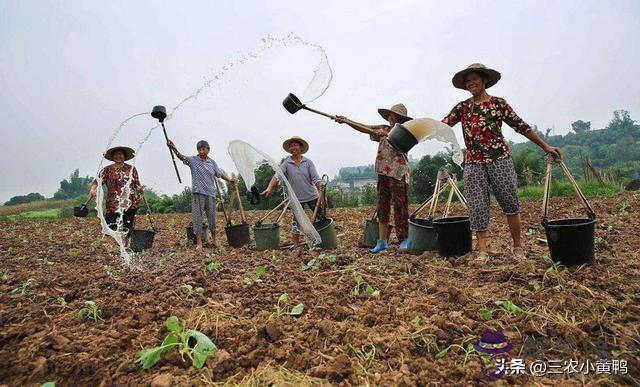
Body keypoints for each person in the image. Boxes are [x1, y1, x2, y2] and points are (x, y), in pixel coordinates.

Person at [442, 63, 562, 261]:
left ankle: (517, 247)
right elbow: (443, 125)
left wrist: (545, 146)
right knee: (477, 206)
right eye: (468, 81)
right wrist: (420, 129)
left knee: (510, 203)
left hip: (500, 160)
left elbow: (521, 126)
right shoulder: (463, 108)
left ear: (484, 81)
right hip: (473, 163)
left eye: (474, 79)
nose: (471, 83)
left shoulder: (498, 104)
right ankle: (482, 251)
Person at [334, 104, 412, 253]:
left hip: (398, 173)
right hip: (383, 172)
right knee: (382, 205)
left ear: (401, 119)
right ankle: (382, 241)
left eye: (394, 116)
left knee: (400, 207)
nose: (391, 118)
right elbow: (365, 127)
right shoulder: (383, 128)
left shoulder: (406, 132)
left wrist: (387, 134)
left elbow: (404, 145)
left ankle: (404, 239)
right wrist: (347, 121)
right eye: (390, 115)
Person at [167, 139, 237, 250]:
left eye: (203, 149)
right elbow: (182, 157)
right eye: (199, 150)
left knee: (212, 218)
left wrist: (229, 180)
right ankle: (199, 243)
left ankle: (214, 240)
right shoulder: (193, 160)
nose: (201, 152)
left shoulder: (212, 163)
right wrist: (174, 148)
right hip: (198, 193)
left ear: (208, 149)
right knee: (197, 218)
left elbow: (219, 174)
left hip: (210, 194)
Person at [261, 136, 324, 245]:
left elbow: (315, 178)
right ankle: (296, 245)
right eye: (291, 146)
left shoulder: (308, 162)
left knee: (321, 218)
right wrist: (269, 188)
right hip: (296, 199)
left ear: (300, 148)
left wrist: (321, 187)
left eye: (295, 145)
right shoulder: (286, 163)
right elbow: (277, 176)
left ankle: (324, 240)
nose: (293, 147)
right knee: (296, 222)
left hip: (312, 196)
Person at [89, 146, 143, 241]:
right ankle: (109, 246)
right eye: (116, 155)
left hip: (129, 202)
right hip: (113, 203)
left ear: (124, 156)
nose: (119, 156)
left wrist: (139, 195)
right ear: (113, 157)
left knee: (128, 225)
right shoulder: (107, 170)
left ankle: (127, 244)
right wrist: (93, 189)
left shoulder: (131, 169)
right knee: (110, 225)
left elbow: (137, 184)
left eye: (121, 154)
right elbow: (97, 181)